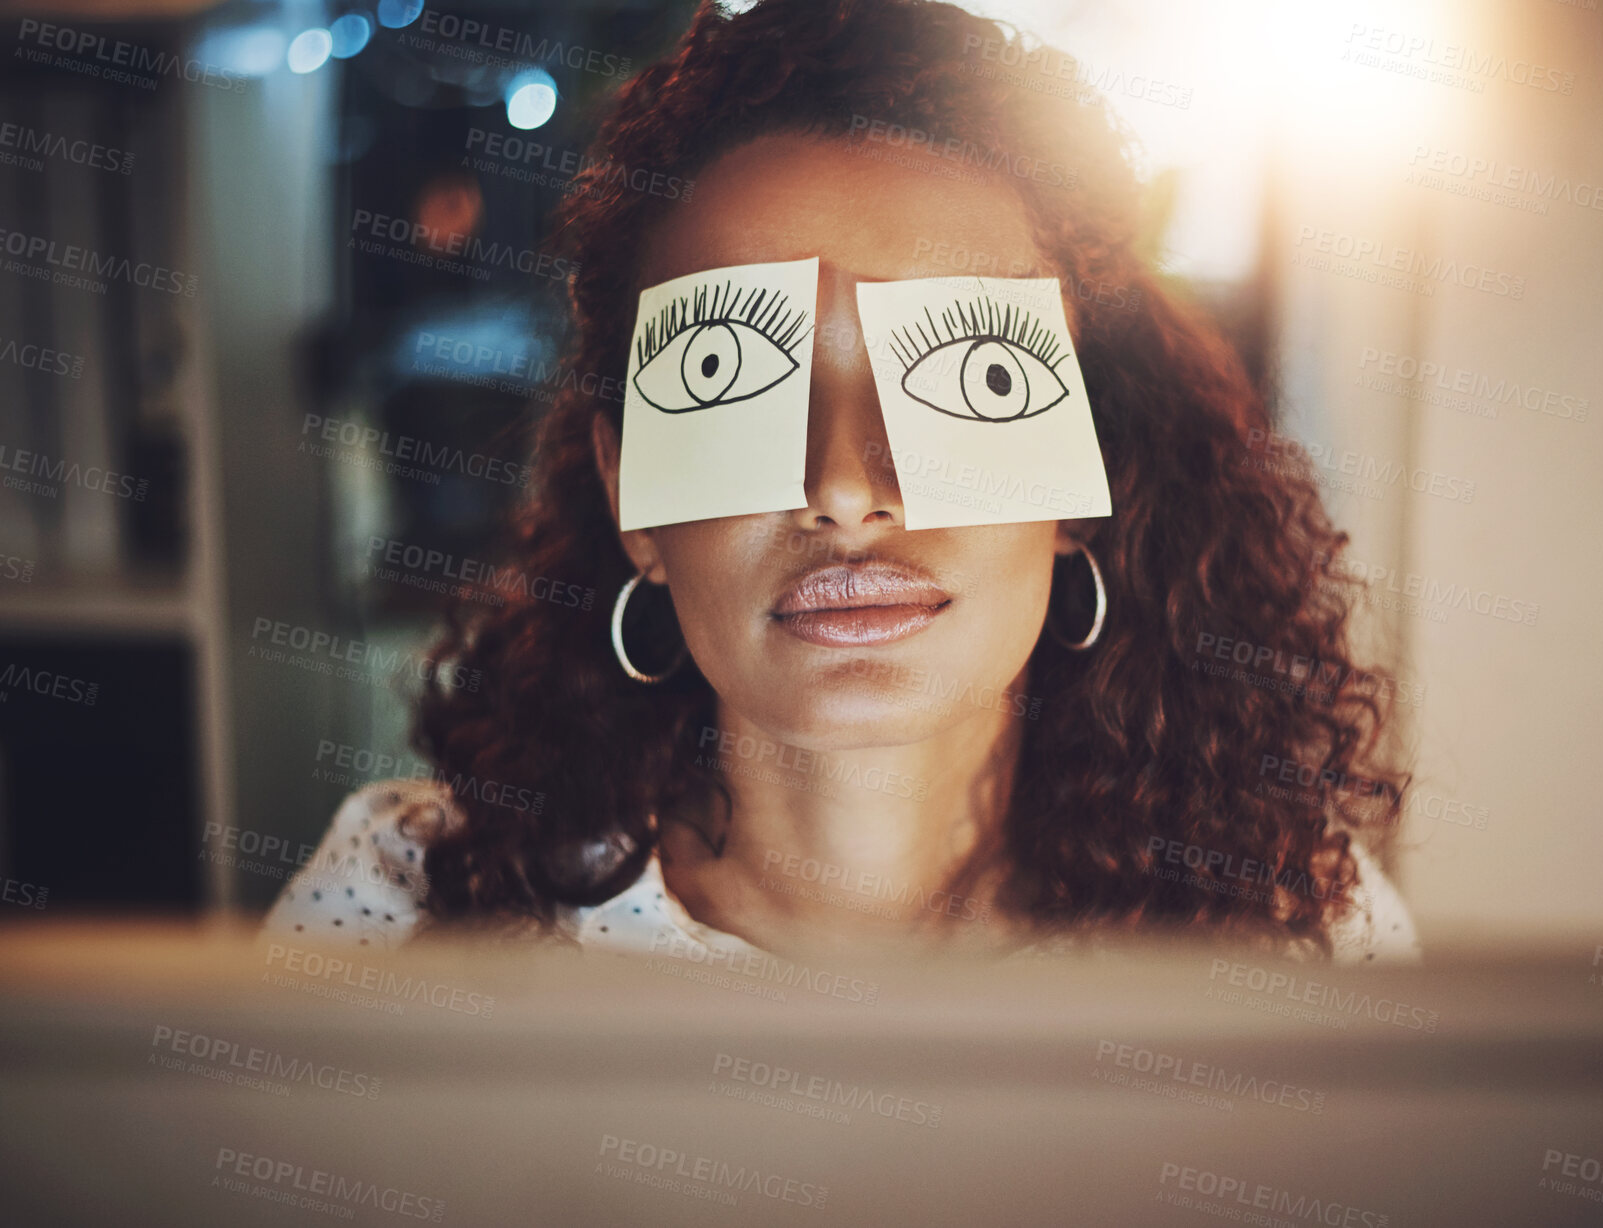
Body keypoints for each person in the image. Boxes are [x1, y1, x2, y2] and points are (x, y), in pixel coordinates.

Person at [264, 0, 1419, 966]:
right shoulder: (406, 906)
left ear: (1088, 474)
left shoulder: (1289, 930)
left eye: (973, 379)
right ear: (631, 501)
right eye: (723, 375)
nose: (845, 490)